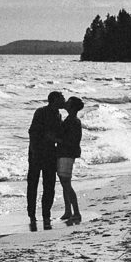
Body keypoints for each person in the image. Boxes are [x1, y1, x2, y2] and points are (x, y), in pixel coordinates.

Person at [26, 90, 65, 231]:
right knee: (33, 185)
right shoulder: (41, 112)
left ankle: (46, 214)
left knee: (49, 186)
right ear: (55, 100)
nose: (64, 101)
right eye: (62, 98)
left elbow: (59, 133)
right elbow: (32, 133)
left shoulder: (58, 114)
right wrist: (36, 151)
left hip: (49, 153)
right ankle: (31, 214)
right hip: (37, 153)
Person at [56, 96, 84, 226]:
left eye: (68, 102)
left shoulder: (73, 121)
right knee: (64, 182)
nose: (65, 103)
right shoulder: (71, 120)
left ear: (72, 107)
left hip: (67, 154)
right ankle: (68, 211)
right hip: (66, 153)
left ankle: (76, 212)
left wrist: (55, 139)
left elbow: (71, 140)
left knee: (66, 183)